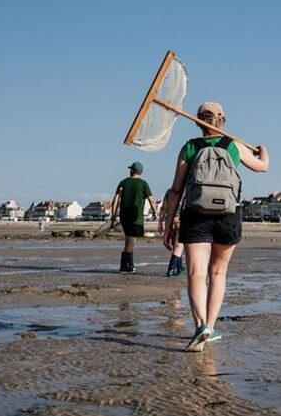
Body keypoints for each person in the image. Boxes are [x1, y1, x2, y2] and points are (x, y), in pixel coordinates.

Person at [162, 101, 268, 352]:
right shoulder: (233, 145)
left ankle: (200, 325)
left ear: (197, 122)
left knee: (196, 273)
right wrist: (264, 150)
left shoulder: (189, 147)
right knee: (218, 274)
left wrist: (168, 224)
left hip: (195, 213)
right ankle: (210, 325)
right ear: (223, 121)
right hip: (228, 214)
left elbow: (177, 189)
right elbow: (262, 167)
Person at [109, 161, 159, 273]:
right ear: (140, 172)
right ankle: (126, 266)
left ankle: (128, 264)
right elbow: (151, 200)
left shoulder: (123, 182)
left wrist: (113, 215)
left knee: (131, 239)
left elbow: (115, 200)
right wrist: (155, 211)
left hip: (124, 216)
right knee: (130, 240)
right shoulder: (143, 184)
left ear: (131, 170)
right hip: (136, 217)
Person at [158, 189, 186, 277]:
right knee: (179, 245)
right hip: (181, 219)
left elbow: (164, 208)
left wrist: (160, 222)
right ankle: (172, 268)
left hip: (170, 220)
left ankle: (179, 266)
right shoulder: (188, 191)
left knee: (175, 244)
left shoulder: (170, 191)